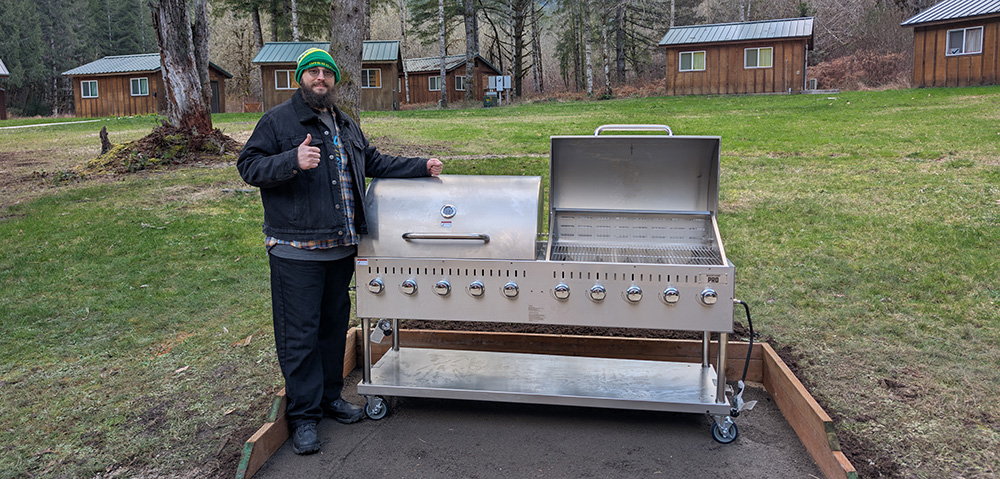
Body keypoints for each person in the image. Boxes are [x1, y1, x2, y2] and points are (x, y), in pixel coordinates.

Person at [237, 48, 443, 455]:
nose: (320, 78)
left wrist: (421, 166)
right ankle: (304, 418)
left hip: (339, 251)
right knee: (299, 337)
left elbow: (372, 161)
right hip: (296, 251)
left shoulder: (344, 122)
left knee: (332, 331)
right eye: (313, 72)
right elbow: (249, 166)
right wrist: (291, 160)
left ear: (334, 80)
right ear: (301, 78)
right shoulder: (279, 121)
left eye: (327, 73)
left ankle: (330, 398)